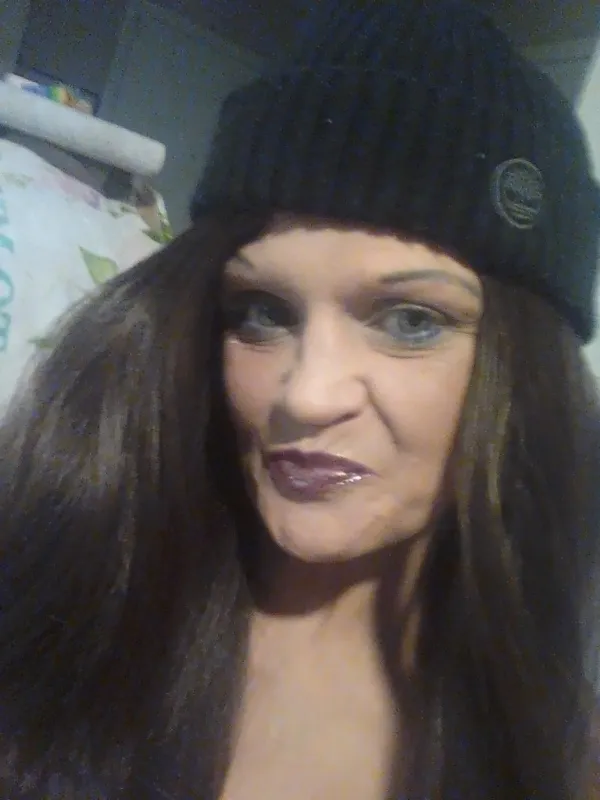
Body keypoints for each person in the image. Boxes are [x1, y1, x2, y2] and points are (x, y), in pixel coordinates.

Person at [0, 0, 599, 798]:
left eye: (412, 321)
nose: (307, 397)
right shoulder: (66, 601)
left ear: (527, 370)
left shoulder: (558, 748)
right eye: (262, 312)